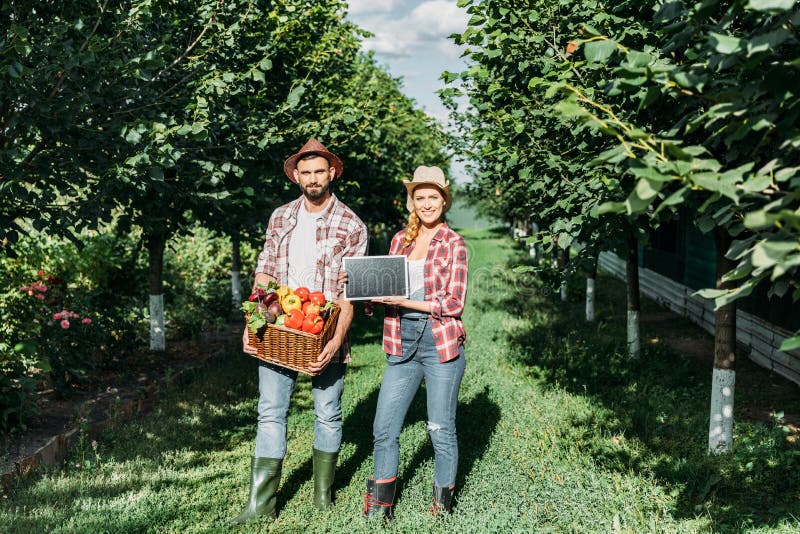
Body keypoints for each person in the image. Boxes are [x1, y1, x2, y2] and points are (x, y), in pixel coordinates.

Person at [230, 138, 368, 524]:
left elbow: (350, 292)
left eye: (319, 171)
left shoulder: (351, 225)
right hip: (280, 328)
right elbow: (265, 272)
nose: (312, 179)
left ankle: (322, 496)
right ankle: (262, 503)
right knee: (271, 412)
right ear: (296, 176)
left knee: (327, 412)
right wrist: (254, 319)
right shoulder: (281, 217)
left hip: (323, 329)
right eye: (305, 172)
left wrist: (338, 338)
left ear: (332, 173)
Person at [361, 165, 468, 519]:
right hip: (401, 342)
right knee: (384, 427)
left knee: (440, 428)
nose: (426, 204)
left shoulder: (454, 243)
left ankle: (442, 508)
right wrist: (368, 292)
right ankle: (380, 506)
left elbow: (454, 304)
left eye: (432, 197)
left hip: (439, 345)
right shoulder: (399, 240)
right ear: (412, 202)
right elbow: (388, 295)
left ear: (444, 200)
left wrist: (406, 302)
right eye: (419, 198)